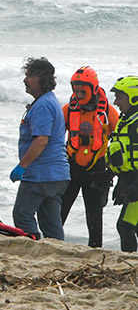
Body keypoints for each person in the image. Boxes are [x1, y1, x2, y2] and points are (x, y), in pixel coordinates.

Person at [10, 57, 69, 240]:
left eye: (30, 76)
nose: (25, 80)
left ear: (43, 79)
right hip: (58, 175)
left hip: (41, 174)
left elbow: (41, 140)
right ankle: (57, 253)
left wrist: (22, 166)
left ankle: (32, 247)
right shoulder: (50, 101)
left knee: (22, 214)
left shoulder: (43, 105)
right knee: (51, 223)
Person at [60, 66, 118, 248]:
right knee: (59, 210)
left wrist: (112, 171)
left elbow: (121, 141)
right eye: (75, 90)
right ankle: (51, 243)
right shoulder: (68, 110)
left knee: (94, 216)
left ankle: (95, 249)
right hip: (71, 167)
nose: (78, 94)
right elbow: (53, 136)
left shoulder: (109, 112)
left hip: (97, 169)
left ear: (93, 89)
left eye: (82, 91)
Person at [106, 76, 138, 252]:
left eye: (119, 97)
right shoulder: (126, 121)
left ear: (133, 97)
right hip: (130, 180)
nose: (115, 102)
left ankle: (129, 265)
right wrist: (111, 179)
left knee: (125, 225)